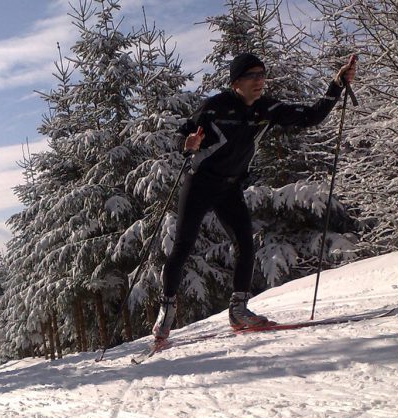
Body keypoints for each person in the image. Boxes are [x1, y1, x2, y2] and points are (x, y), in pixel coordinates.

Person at [152, 53, 357, 341]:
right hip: (200, 183)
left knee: (245, 244)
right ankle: (167, 310)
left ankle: (238, 311)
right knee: (183, 247)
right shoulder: (215, 107)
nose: (259, 81)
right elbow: (181, 136)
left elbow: (311, 116)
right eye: (252, 76)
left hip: (230, 187)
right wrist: (188, 143)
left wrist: (336, 85)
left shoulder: (266, 109)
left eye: (262, 74)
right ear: (236, 82)